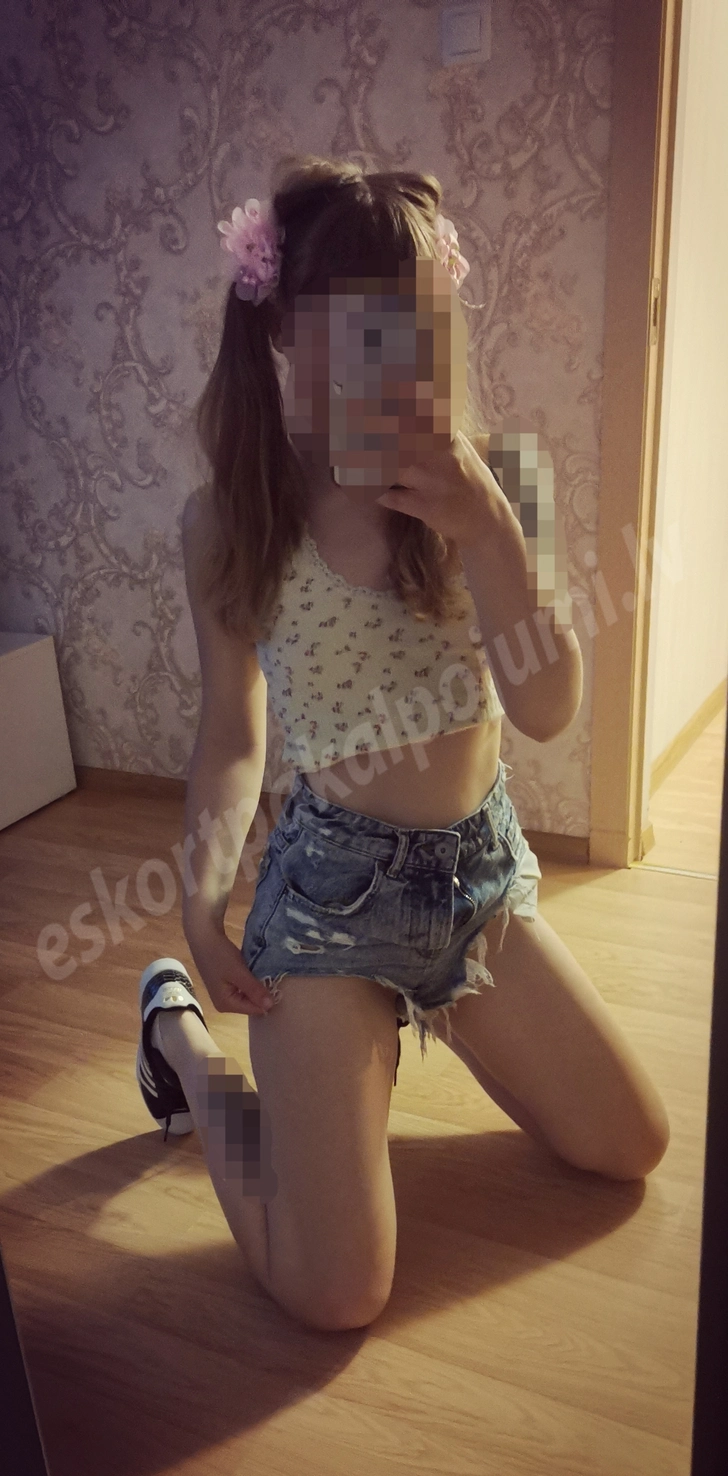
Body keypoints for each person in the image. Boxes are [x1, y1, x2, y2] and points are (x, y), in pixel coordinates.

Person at [134, 154, 670, 1334]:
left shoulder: (498, 481)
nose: (397, 358)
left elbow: (545, 708)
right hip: (327, 906)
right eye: (360, 326)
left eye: (420, 325)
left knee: (628, 1144)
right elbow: (232, 734)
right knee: (335, 1292)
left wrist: (490, 530)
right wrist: (199, 905)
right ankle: (177, 1037)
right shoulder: (231, 520)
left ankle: (413, 1031)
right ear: (284, 329)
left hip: (476, 888)